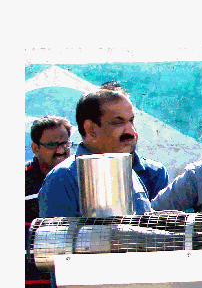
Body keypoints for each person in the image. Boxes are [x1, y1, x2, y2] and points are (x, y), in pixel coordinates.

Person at [37, 84, 169, 218]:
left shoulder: (129, 168)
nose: (131, 132)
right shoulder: (63, 178)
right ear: (91, 129)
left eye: (131, 121)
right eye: (118, 122)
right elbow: (55, 237)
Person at [25, 115, 73, 223]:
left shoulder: (80, 177)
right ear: (35, 148)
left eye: (64, 144)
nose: (60, 150)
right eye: (52, 145)